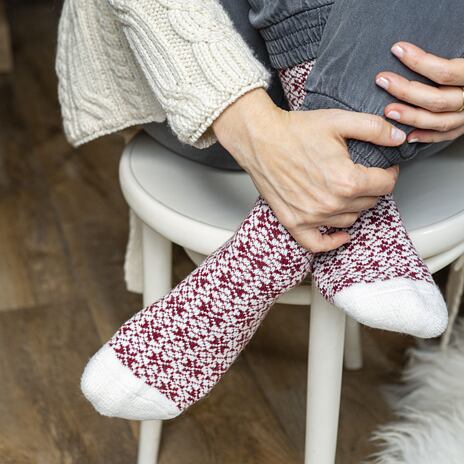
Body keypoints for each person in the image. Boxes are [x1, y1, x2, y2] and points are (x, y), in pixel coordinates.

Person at [57, 0, 464, 420]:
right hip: (208, 85)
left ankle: (257, 261)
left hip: (417, 87)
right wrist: (253, 128)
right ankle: (347, 210)